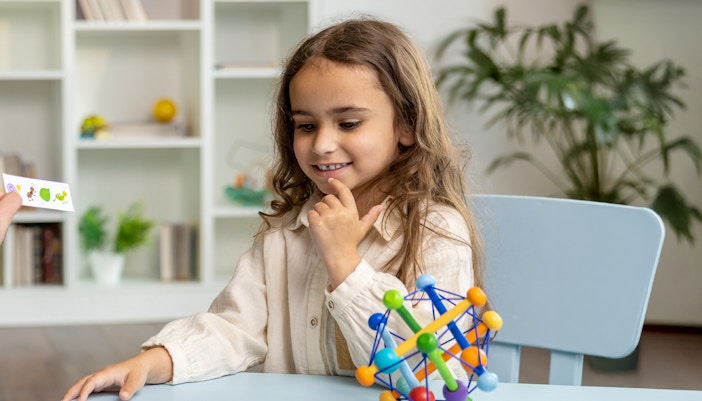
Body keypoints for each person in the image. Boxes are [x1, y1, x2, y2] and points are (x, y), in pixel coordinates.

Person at [62, 17, 484, 401]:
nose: (321, 144)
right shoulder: (286, 231)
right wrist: (152, 362)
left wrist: (345, 264)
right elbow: (233, 328)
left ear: (407, 125)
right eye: (306, 125)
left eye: (349, 123)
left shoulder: (436, 229)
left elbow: (430, 369)